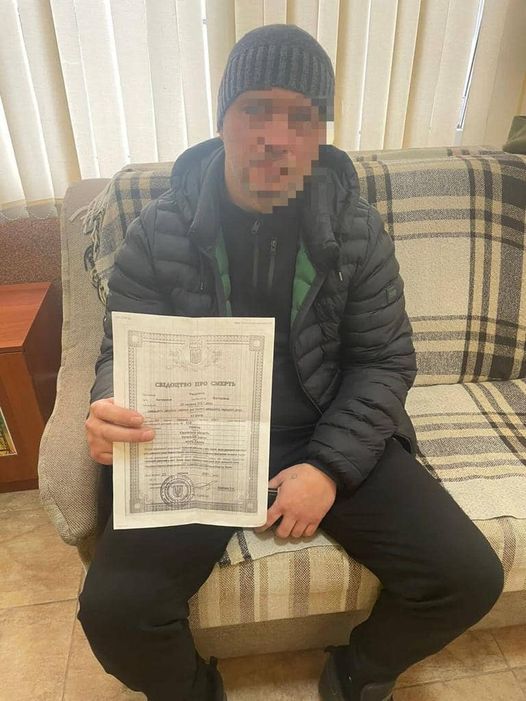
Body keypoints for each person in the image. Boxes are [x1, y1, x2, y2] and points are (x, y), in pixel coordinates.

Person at [78, 24, 504, 701]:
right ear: (223, 119)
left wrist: (329, 468)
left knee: (469, 577)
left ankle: (358, 671)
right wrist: (109, 405)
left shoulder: (356, 229)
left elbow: (384, 359)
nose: (276, 136)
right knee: (114, 614)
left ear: (319, 134)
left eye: (301, 116)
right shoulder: (158, 232)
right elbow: (121, 351)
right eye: (255, 108)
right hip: (199, 436)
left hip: (325, 425)